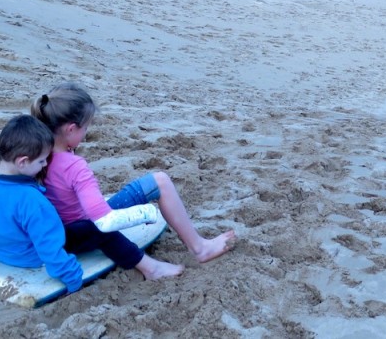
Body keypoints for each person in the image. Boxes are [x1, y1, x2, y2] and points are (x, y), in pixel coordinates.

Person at [31, 82, 236, 282]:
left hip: (53, 230)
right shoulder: (74, 166)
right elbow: (104, 221)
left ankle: (198, 247)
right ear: (70, 129)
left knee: (157, 181)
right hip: (78, 232)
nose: (87, 133)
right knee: (161, 182)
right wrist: (144, 214)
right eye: (86, 127)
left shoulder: (33, 154)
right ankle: (198, 249)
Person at [0, 115, 84, 294]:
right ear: (22, 162)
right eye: (42, 161)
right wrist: (74, 281)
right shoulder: (32, 200)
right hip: (31, 259)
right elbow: (49, 246)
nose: (44, 165)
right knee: (93, 231)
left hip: (0, 252)